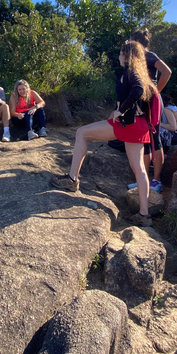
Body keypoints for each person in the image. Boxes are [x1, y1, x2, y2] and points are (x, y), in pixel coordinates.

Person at [50, 40, 157, 227]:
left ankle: (72, 179)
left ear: (126, 55)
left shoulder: (130, 72)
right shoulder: (140, 72)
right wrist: (119, 111)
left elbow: (137, 90)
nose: (118, 56)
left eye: (120, 53)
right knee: (139, 169)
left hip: (127, 124)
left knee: (82, 133)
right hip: (138, 125)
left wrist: (120, 110)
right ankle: (144, 214)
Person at [129, 29, 172, 193]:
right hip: (141, 101)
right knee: (144, 138)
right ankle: (144, 179)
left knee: (155, 136)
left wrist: (156, 90)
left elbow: (167, 72)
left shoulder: (149, 55)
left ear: (136, 41)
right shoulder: (136, 58)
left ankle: (157, 181)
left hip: (151, 100)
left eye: (131, 41)